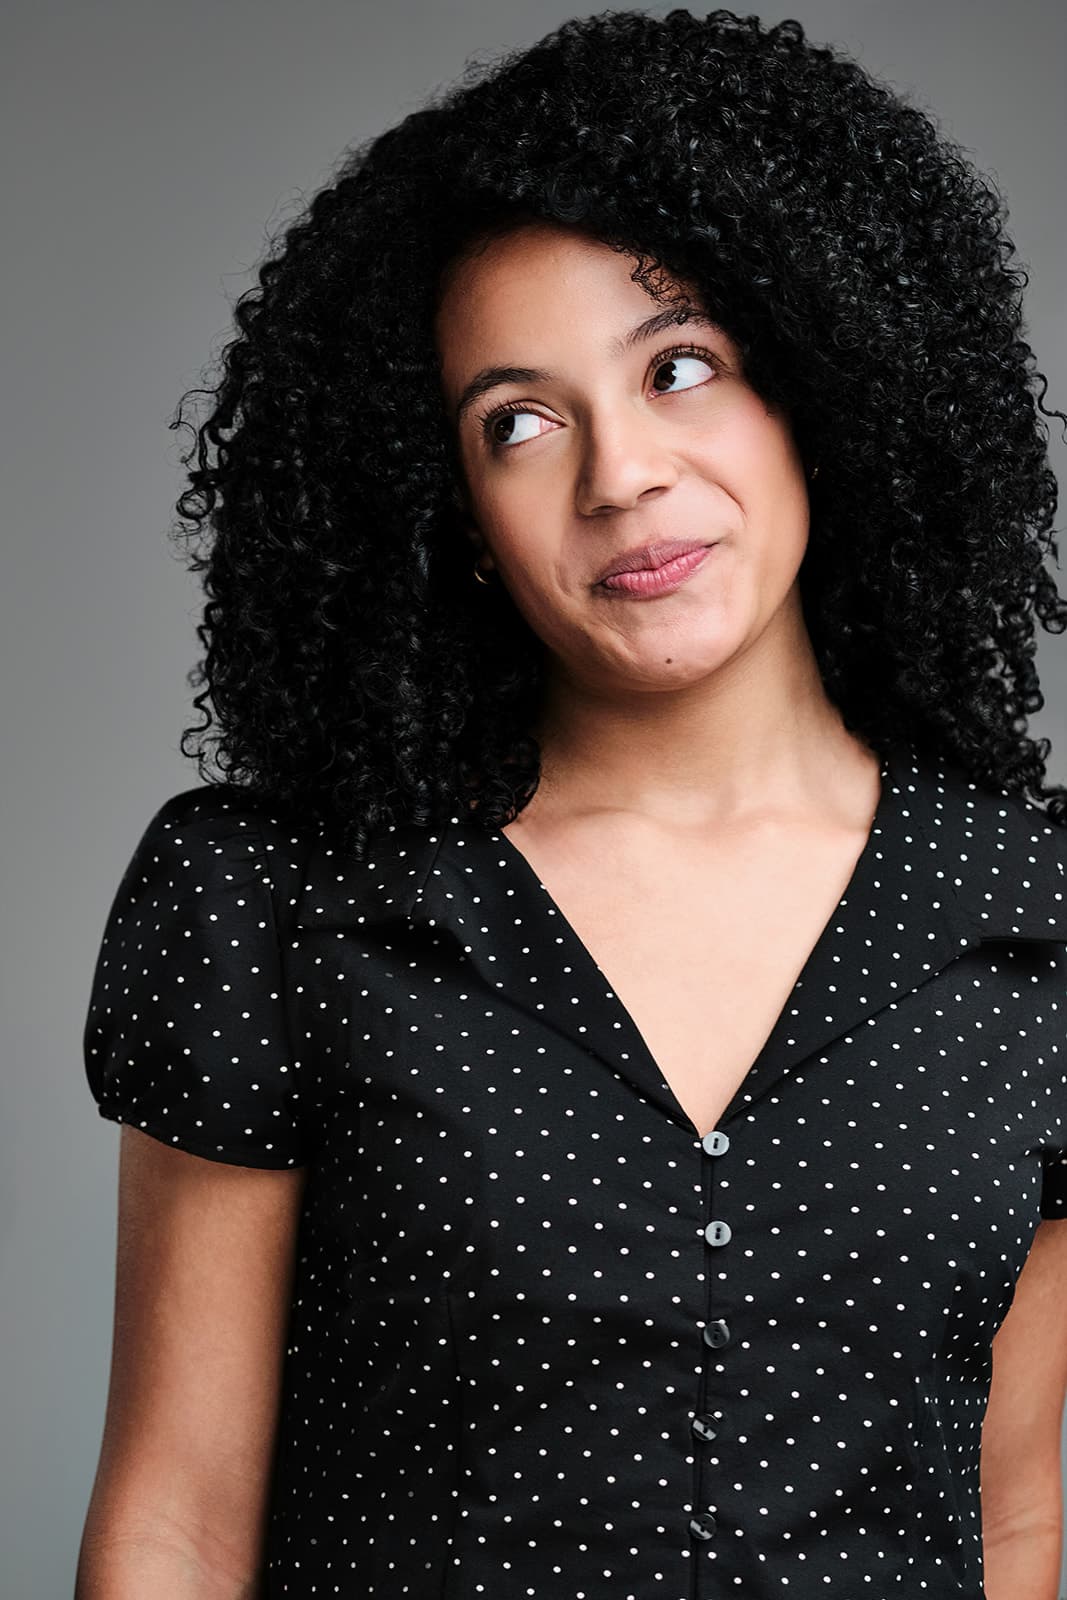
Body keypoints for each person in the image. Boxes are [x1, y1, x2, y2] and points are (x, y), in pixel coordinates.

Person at [75, 9, 1067, 1599]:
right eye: (520, 425)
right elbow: (178, 1523)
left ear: (821, 386)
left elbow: (1010, 1526)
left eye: (683, 369)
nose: (622, 476)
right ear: (459, 518)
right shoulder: (282, 901)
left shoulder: (1031, 920)